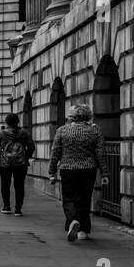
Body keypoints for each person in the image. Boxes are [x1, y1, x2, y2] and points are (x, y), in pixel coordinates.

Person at [48, 104, 107, 243]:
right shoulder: (95, 130)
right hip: (88, 169)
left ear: (71, 116)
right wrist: (105, 172)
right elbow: (101, 153)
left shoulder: (62, 130)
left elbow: (55, 152)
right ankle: (83, 231)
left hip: (68, 169)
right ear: (88, 115)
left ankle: (73, 220)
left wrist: (51, 172)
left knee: (69, 198)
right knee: (85, 199)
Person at [0, 113, 35, 216]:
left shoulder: (2, 133)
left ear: (7, 122)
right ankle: (18, 209)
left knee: (5, 184)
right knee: (19, 186)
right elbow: (31, 147)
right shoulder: (24, 133)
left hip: (5, 163)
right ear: (18, 122)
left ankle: (6, 206)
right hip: (21, 163)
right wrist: (25, 157)